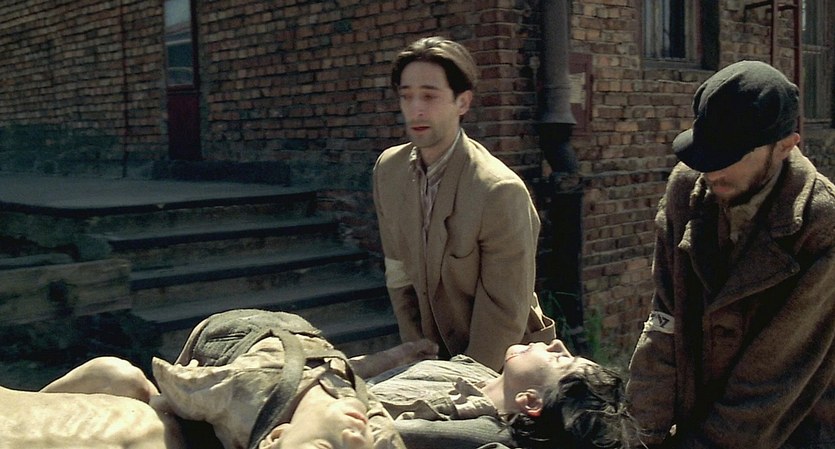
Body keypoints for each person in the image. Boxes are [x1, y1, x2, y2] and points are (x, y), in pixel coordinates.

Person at [4, 309, 635, 449]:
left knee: (127, 395)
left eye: (562, 361)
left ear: (528, 403)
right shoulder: (465, 367)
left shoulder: (476, 427)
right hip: (305, 380)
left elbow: (369, 419)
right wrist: (390, 355)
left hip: (277, 413)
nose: (556, 344)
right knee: (114, 373)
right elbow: (356, 380)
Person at [627, 60, 835, 448]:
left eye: (729, 156)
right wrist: (639, 436)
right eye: (706, 153)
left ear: (785, 146)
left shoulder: (821, 225)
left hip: (791, 431)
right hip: (699, 418)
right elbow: (665, 322)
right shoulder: (687, 189)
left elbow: (773, 376)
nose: (711, 172)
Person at [373, 36, 554, 371]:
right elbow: (398, 271)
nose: (416, 109)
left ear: (463, 102)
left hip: (508, 363)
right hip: (432, 356)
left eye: (429, 95)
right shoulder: (389, 169)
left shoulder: (497, 190)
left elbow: (504, 312)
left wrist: (462, 382)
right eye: (406, 96)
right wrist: (416, 353)